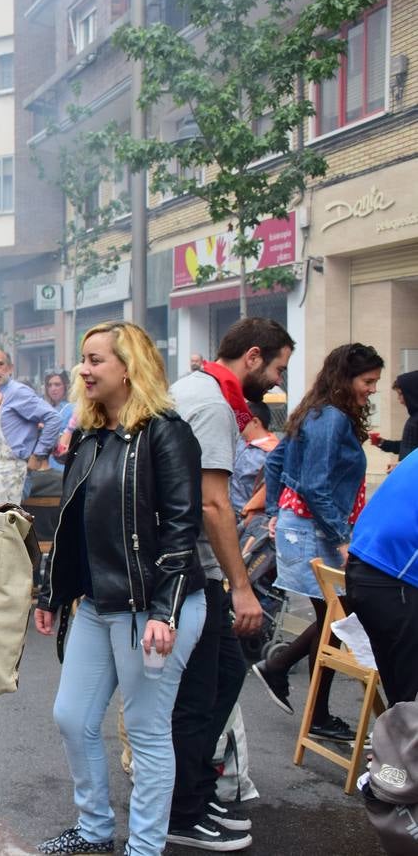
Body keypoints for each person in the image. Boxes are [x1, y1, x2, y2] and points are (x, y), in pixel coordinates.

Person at [32, 321, 206, 856]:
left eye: (94, 360)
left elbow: (182, 527)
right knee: (73, 716)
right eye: (83, 359)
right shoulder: (87, 436)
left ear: (128, 368)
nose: (82, 369)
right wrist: (50, 593)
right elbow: (70, 522)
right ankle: (94, 830)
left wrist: (165, 610)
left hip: (151, 607)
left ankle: (145, 848)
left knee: (149, 732)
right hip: (97, 604)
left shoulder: (165, 432)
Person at [167, 317, 288, 851]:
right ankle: (182, 808)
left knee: (224, 674)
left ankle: (191, 791)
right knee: (200, 692)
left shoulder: (197, 388)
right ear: (254, 356)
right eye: (279, 368)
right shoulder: (213, 404)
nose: (278, 382)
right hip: (193, 566)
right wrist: (240, 586)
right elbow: (213, 503)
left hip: (191, 564)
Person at [254, 343, 384, 743]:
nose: (372, 390)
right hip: (316, 530)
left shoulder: (318, 410)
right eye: (368, 381)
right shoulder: (329, 418)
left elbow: (277, 462)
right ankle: (304, 697)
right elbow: (314, 485)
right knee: (337, 620)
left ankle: (291, 681)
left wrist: (277, 509)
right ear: (346, 379)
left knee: (335, 620)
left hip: (306, 526)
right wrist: (341, 537)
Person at [346, 450, 418, 707]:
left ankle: (392, 741)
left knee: (401, 699)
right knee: (407, 702)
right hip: (392, 580)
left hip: (368, 572)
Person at [0, 348, 63, 504]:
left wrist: (38, 455)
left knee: (4, 525)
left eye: (0, 364)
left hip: (14, 473)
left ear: (10, 368)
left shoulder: (18, 392)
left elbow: (53, 418)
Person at [230, 399, 278, 517]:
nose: (238, 426)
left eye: (242, 422)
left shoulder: (272, 453)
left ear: (255, 422)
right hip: (229, 513)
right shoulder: (240, 443)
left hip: (249, 517)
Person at [372, 370, 418, 461]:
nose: (399, 399)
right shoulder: (414, 418)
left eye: (401, 394)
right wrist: (383, 443)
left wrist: (401, 468)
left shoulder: (414, 422)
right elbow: (408, 446)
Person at [43, 369, 77, 473]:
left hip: (61, 464)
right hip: (44, 464)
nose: (53, 389)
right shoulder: (44, 407)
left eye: (57, 384)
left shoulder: (72, 409)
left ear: (65, 386)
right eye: (50, 385)